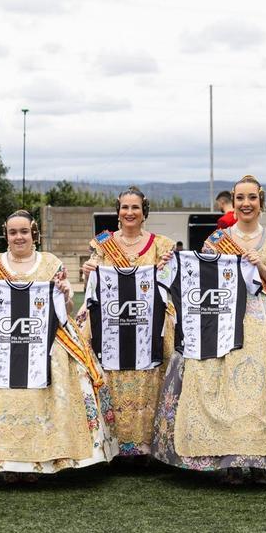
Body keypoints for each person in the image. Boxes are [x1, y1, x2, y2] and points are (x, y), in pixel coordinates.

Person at [153, 174, 266, 484]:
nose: (245, 204)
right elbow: (198, 275)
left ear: (261, 202)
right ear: (233, 203)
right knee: (226, 390)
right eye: (240, 198)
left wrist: (260, 266)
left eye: (251, 198)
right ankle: (230, 459)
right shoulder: (216, 240)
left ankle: (262, 459)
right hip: (223, 317)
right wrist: (172, 262)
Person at [0, 210, 115, 481]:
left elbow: (66, 310)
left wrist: (65, 295)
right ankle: (4, 461)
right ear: (6, 234)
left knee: (44, 397)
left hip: (48, 342)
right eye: (13, 232)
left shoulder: (51, 263)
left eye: (24, 232)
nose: (19, 237)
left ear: (34, 233)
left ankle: (41, 459)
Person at [78, 186, 177, 459]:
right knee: (105, 374)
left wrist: (167, 267)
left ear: (144, 212)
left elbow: (170, 282)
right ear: (117, 211)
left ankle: (149, 446)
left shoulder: (162, 245)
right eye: (125, 207)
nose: (129, 212)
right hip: (109, 321)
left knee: (152, 377)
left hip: (149, 321)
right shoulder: (102, 243)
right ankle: (110, 444)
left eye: (135, 207)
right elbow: (92, 285)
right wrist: (88, 271)